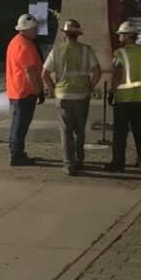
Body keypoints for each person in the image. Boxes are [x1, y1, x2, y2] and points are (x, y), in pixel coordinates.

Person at [42, 19, 101, 176]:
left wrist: (53, 89)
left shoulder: (56, 51)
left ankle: (69, 164)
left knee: (66, 132)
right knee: (79, 130)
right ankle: (79, 160)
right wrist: (90, 87)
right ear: (78, 35)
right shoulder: (86, 50)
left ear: (65, 34)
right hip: (82, 96)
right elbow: (97, 72)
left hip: (63, 97)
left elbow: (44, 74)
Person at [105, 21, 141, 173]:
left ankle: (118, 163)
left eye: (121, 34)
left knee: (120, 133)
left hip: (123, 99)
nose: (119, 37)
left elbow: (118, 74)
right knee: (140, 131)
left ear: (127, 36)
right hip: (140, 98)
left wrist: (112, 92)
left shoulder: (120, 53)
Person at [5, 13, 44, 167]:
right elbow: (30, 72)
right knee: (20, 126)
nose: (36, 31)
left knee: (16, 124)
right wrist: (39, 90)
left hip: (16, 91)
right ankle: (17, 156)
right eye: (34, 29)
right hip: (25, 92)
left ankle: (16, 152)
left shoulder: (16, 42)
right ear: (26, 30)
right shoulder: (25, 45)